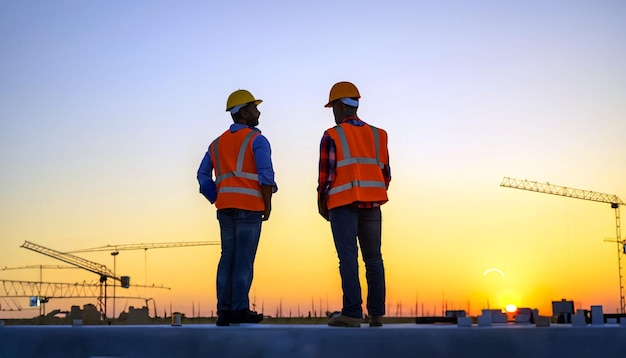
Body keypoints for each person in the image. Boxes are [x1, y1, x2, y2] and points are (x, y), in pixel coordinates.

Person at [197, 89, 277, 326]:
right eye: (254, 107)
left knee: (227, 259)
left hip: (225, 209)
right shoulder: (257, 140)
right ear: (243, 113)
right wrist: (267, 205)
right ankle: (239, 309)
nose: (258, 111)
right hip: (250, 207)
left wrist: (217, 197)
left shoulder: (217, 143)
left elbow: (202, 176)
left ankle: (224, 311)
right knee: (243, 261)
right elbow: (266, 176)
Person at [317, 81, 391, 328]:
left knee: (348, 258)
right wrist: (373, 192)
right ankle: (377, 315)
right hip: (372, 204)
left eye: (333, 107)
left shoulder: (332, 135)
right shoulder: (378, 135)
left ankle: (352, 312)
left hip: (342, 204)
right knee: (374, 259)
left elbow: (326, 176)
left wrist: (322, 202)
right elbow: (386, 173)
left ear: (339, 106)